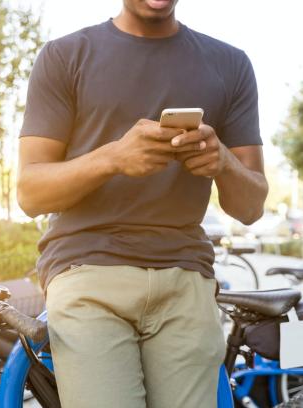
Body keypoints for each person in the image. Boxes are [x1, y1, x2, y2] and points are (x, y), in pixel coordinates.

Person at [16, 0, 268, 406]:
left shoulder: (230, 64)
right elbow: (30, 193)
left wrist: (222, 162)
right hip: (88, 272)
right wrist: (113, 158)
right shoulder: (64, 56)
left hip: (185, 278)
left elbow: (251, 207)